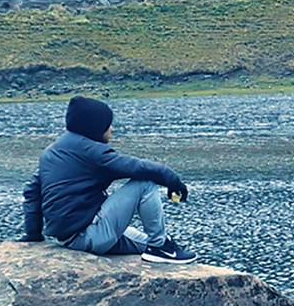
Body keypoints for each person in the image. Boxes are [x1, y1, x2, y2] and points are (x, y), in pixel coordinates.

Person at [20, 95, 197, 264]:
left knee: (145, 244)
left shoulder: (51, 152)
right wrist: (173, 181)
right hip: (88, 236)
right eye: (108, 125)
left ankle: (160, 245)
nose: (111, 129)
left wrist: (33, 234)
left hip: (68, 239)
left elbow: (31, 192)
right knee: (145, 183)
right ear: (95, 127)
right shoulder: (92, 152)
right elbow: (139, 168)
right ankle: (160, 248)